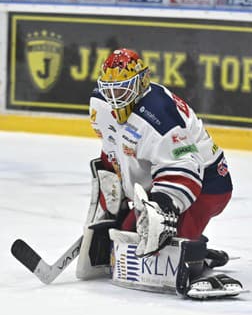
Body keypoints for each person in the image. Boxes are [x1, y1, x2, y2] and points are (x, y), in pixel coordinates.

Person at [77, 48, 242, 299]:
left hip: (209, 183)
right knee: (130, 234)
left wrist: (163, 207)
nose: (114, 96)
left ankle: (197, 260)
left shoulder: (160, 116)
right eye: (110, 89)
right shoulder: (100, 104)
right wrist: (114, 193)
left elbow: (185, 168)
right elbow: (111, 149)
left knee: (167, 245)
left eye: (122, 89)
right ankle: (196, 248)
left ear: (141, 83)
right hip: (160, 178)